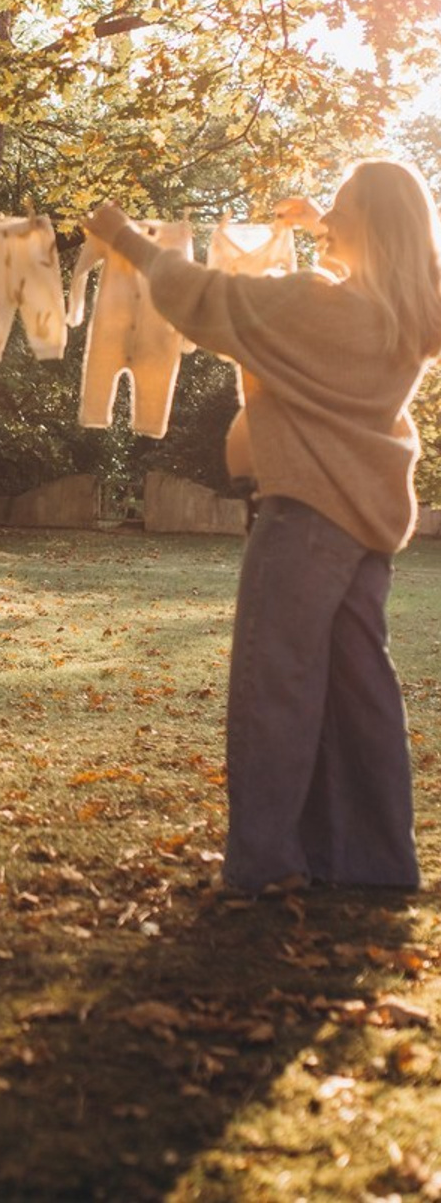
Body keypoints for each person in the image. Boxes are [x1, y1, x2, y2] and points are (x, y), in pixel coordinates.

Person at [82, 160, 441, 894]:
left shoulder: (315, 304)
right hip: (366, 530)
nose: (326, 217)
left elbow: (206, 298)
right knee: (360, 694)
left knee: (274, 689)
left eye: (340, 208)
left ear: (371, 224)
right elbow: (371, 276)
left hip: (306, 520)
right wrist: (325, 228)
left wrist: (126, 238)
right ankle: (374, 864)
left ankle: (265, 864)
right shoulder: (408, 316)